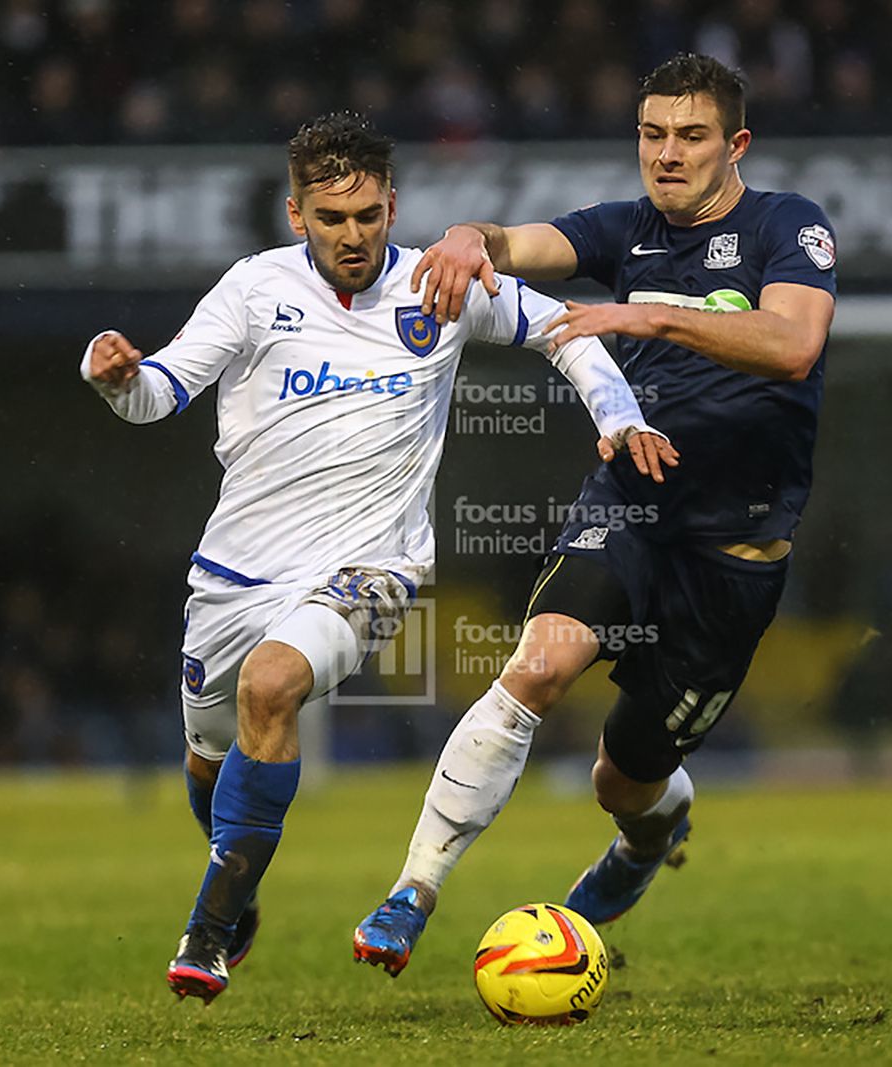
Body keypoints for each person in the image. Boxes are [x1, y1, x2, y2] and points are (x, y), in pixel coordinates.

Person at [80, 111, 675, 1005]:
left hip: (371, 568)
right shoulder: (251, 290)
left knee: (270, 687)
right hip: (235, 577)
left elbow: (569, 330)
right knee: (209, 767)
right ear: (296, 216)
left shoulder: (443, 285)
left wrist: (617, 414)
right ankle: (237, 895)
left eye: (367, 216)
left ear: (393, 207)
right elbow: (159, 395)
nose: (352, 235)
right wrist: (116, 378)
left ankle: (207, 932)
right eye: (331, 219)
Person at [352, 53, 837, 975]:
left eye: (690, 136)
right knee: (540, 664)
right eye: (652, 134)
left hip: (734, 558)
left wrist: (644, 318)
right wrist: (465, 237)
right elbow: (513, 243)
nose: (666, 154)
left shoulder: (788, 225)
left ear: (736, 145)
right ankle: (411, 892)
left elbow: (792, 343)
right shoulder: (626, 230)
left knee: (624, 777)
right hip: (632, 504)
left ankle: (646, 840)